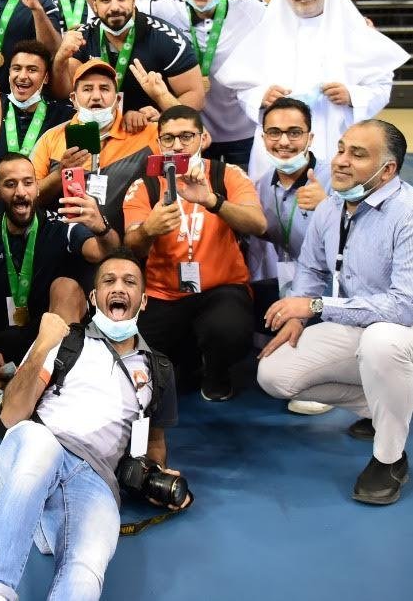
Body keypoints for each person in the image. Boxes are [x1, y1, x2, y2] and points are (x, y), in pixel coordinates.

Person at [257, 120, 413, 505]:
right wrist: (296, 316)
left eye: (357, 155)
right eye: (341, 149)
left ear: (387, 170)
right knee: (274, 373)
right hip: (368, 327)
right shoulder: (331, 208)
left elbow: (403, 308)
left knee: (383, 340)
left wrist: (315, 305)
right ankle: (394, 397)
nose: (341, 161)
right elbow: (311, 270)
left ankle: (388, 459)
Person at [0, 250, 184, 601]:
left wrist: (158, 479)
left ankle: (46, 524)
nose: (119, 288)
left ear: (144, 300)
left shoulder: (158, 369)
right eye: (109, 281)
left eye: (130, 282)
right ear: (94, 297)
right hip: (35, 452)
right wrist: (42, 344)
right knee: (40, 446)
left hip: (97, 482)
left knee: (87, 569)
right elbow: (10, 416)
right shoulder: (65, 341)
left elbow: (154, 443)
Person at [0, 153, 118, 411]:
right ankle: (24, 399)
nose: (21, 192)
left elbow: (103, 252)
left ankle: (42, 388)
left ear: (37, 187)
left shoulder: (62, 226)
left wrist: (101, 228)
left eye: (28, 183)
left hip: (48, 345)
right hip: (2, 343)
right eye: (10, 184)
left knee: (66, 286)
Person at [214, 0, 409, 183]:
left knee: (331, 196)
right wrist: (261, 96)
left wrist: (352, 95)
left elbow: (381, 86)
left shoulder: (354, 30)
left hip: (335, 139)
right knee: (272, 198)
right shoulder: (266, 32)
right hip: (279, 143)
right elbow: (243, 88)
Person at [123, 105, 267, 401]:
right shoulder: (144, 185)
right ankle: (188, 360)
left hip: (221, 289)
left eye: (187, 136)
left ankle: (216, 372)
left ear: (203, 139)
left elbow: (258, 224)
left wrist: (213, 202)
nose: (177, 145)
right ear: (158, 143)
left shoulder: (226, 174)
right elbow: (133, 246)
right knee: (143, 366)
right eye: (169, 138)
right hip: (164, 294)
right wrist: (149, 230)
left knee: (228, 329)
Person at [244, 97, 333, 415]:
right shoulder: (260, 187)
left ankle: (328, 378)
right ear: (264, 138)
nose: (283, 141)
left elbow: (364, 241)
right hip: (288, 281)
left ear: (310, 137)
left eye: (294, 132)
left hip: (334, 288)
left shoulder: (335, 181)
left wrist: (330, 208)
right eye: (274, 132)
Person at [146, 0, 267, 168]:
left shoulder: (252, 6)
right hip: (190, 135)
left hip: (242, 133)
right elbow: (115, 8)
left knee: (242, 188)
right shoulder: (161, 8)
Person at [55, 0, 205, 133]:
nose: (114, 7)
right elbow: (64, 92)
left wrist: (162, 116)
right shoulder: (82, 38)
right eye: (106, 0)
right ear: (95, 5)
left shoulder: (166, 38)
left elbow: (195, 95)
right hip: (96, 135)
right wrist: (60, 57)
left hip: (149, 134)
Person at [31, 58, 160, 234]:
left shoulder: (146, 132)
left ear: (118, 99)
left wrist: (161, 98)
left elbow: (195, 137)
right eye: (87, 89)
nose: (96, 96)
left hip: (127, 244)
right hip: (66, 243)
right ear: (73, 99)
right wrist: (60, 173)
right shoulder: (51, 138)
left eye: (104, 89)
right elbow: (30, 196)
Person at [0, 41, 69, 217]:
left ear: (46, 78)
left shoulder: (63, 116)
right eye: (16, 68)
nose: (22, 76)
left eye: (32, 70)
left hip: (43, 218)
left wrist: (129, 113)